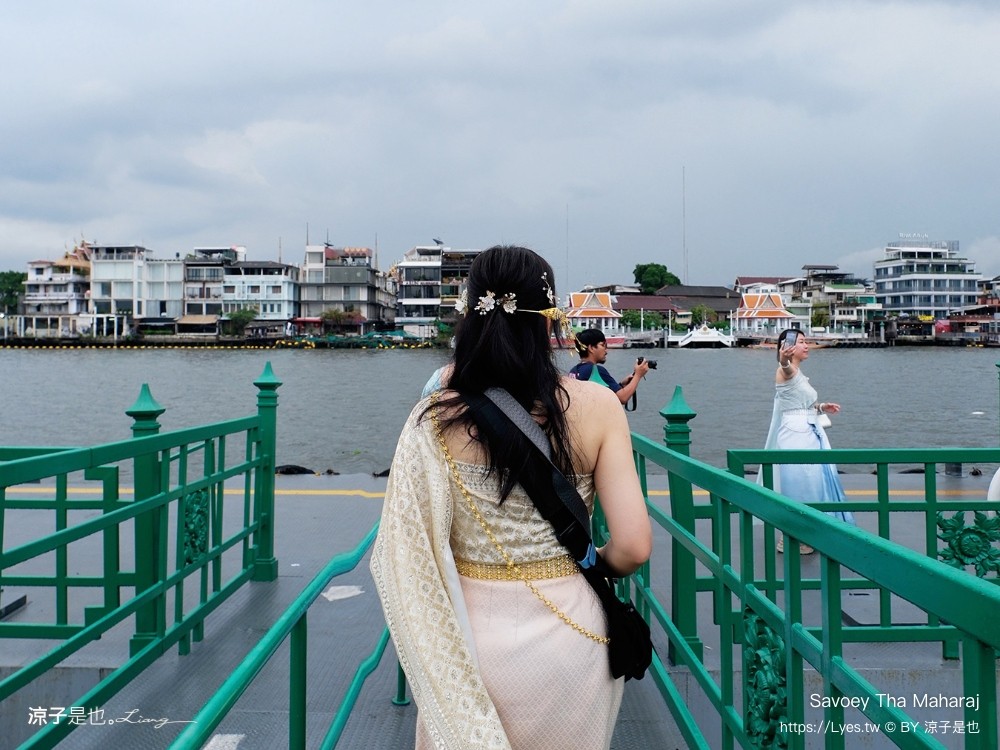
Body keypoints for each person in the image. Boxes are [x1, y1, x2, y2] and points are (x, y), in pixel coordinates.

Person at [371, 245, 652, 750]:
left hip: (467, 648)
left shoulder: (432, 417)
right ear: (549, 322)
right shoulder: (598, 405)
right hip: (573, 639)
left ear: (470, 314)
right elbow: (633, 548)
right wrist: (595, 562)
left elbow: (402, 553)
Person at [763, 328, 855, 554]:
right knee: (799, 482)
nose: (807, 346)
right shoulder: (785, 370)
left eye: (807, 341)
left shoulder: (799, 374)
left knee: (814, 481)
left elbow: (800, 404)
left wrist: (822, 407)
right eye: (802, 342)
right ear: (790, 346)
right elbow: (785, 367)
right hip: (796, 433)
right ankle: (791, 536)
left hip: (808, 430)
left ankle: (807, 533)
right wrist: (784, 359)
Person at [568, 328, 650, 407]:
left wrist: (621, 385)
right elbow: (623, 398)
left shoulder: (574, 371)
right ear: (591, 348)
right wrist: (638, 375)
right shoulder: (595, 370)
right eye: (603, 345)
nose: (606, 351)